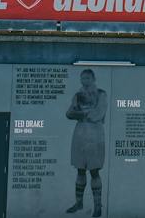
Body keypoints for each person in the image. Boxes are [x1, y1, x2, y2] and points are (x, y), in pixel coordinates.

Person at [64, 69, 107, 216]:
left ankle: (97, 206)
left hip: (95, 136)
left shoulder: (101, 94)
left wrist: (81, 114)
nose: (85, 81)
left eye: (87, 78)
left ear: (93, 78)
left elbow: (98, 114)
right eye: (82, 78)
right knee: (80, 169)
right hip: (80, 135)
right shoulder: (77, 95)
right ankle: (79, 203)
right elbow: (69, 113)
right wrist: (83, 114)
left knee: (94, 171)